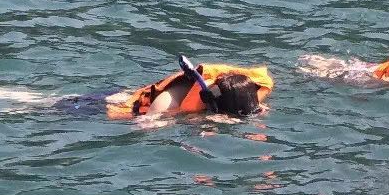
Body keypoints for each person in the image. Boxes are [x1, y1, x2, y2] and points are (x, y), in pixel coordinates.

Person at [104, 60, 272, 120]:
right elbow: (144, 126)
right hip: (118, 106)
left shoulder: (237, 89)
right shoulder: (168, 102)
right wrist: (204, 120)